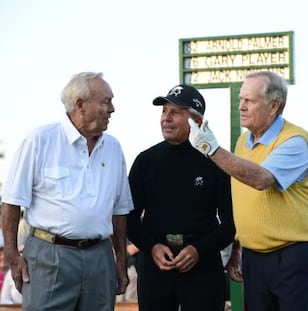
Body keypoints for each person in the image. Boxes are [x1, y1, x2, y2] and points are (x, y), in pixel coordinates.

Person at [188, 71, 308, 310]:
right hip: (255, 255)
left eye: (249, 101)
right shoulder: (243, 142)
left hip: (294, 255)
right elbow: (245, 199)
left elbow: (262, 179)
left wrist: (211, 149)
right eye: (241, 99)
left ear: (274, 105)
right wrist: (237, 248)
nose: (241, 106)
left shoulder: (295, 140)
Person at [1, 72, 133, 310]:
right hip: (49, 256)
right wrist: (12, 257)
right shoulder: (40, 139)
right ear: (80, 105)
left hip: (99, 257)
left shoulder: (113, 147)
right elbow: (11, 202)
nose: (112, 109)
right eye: (105, 101)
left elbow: (119, 211)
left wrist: (121, 261)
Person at [127, 84, 235, 311]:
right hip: (155, 266)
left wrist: (198, 249)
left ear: (196, 120)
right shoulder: (146, 161)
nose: (166, 118)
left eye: (175, 112)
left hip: (203, 267)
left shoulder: (217, 161)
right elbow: (129, 219)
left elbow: (230, 224)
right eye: (164, 111)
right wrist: (152, 247)